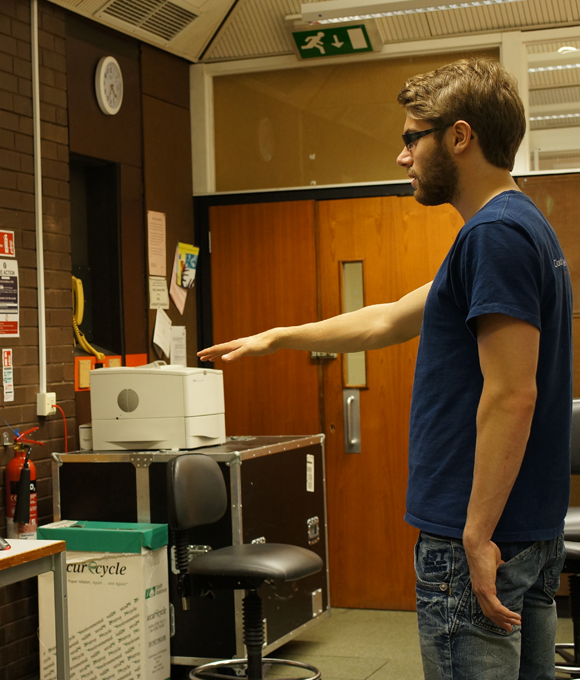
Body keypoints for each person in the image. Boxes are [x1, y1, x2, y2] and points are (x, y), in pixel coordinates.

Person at [198, 58, 572, 679]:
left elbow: (512, 395)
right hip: (524, 532)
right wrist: (276, 337)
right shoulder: (517, 226)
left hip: (477, 535)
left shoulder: (494, 236)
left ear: (459, 136)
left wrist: (476, 535)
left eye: (411, 137)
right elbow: (389, 319)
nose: (402, 156)